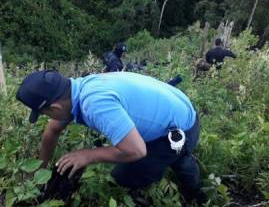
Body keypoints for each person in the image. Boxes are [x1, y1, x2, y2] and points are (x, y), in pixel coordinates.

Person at [16, 70, 206, 205]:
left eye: (45, 114)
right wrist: (38, 170)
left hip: (180, 128)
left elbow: (136, 150)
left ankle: (194, 191)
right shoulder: (76, 89)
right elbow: (52, 131)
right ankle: (179, 157)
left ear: (55, 108)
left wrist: (88, 155)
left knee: (123, 176)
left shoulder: (95, 104)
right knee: (136, 152)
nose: (49, 119)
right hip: (176, 106)